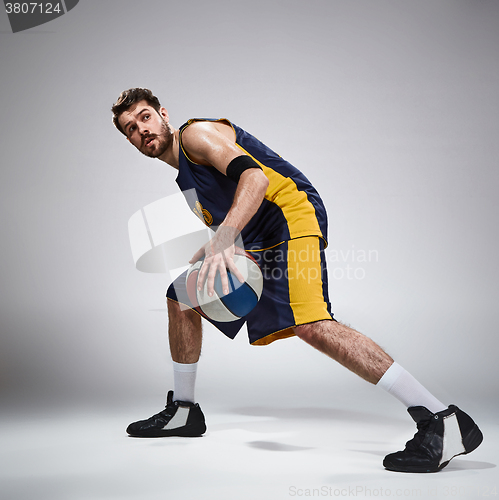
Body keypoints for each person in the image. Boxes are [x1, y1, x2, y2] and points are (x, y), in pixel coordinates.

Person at [111, 88, 483, 473]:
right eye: (131, 128)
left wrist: (224, 238)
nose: (141, 129)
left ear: (163, 114)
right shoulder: (185, 179)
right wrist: (215, 246)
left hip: (291, 214)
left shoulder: (195, 136)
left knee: (312, 325)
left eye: (145, 117)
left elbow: (255, 180)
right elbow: (232, 211)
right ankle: (184, 412)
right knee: (181, 297)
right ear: (130, 141)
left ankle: (443, 419)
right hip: (257, 237)